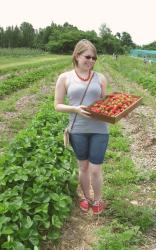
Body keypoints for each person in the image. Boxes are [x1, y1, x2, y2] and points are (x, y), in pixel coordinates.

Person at [54, 39, 109, 215]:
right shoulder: (65, 78)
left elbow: (106, 104)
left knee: (95, 169)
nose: (91, 61)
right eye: (87, 57)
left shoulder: (100, 78)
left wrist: (121, 111)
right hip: (77, 129)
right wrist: (75, 109)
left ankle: (98, 199)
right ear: (77, 56)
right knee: (83, 167)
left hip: (99, 129)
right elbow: (58, 105)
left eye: (94, 58)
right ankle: (86, 197)